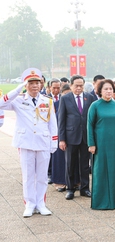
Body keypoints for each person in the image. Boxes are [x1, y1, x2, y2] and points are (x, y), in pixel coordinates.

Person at [0, 68, 58, 217]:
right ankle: (29, 204)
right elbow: (1, 103)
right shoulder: (18, 100)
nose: (34, 86)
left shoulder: (47, 101)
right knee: (27, 176)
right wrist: (18, 88)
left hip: (43, 142)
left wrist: (54, 142)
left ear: (41, 84)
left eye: (37, 83)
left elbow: (53, 124)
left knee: (42, 176)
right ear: (26, 85)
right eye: (30, 83)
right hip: (25, 142)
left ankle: (41, 203)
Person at [87, 79, 115, 210]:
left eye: (111, 89)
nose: (109, 91)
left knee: (114, 171)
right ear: (100, 91)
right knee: (100, 171)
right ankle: (100, 201)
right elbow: (90, 125)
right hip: (100, 143)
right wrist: (91, 144)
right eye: (106, 89)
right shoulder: (95, 105)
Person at [58, 75, 95, 200]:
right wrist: (61, 139)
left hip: (85, 136)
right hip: (70, 136)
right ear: (71, 86)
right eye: (76, 86)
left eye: (81, 86)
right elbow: (61, 120)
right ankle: (70, 189)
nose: (79, 88)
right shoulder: (65, 98)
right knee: (70, 164)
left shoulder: (89, 97)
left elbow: (92, 118)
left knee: (85, 164)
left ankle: (85, 188)